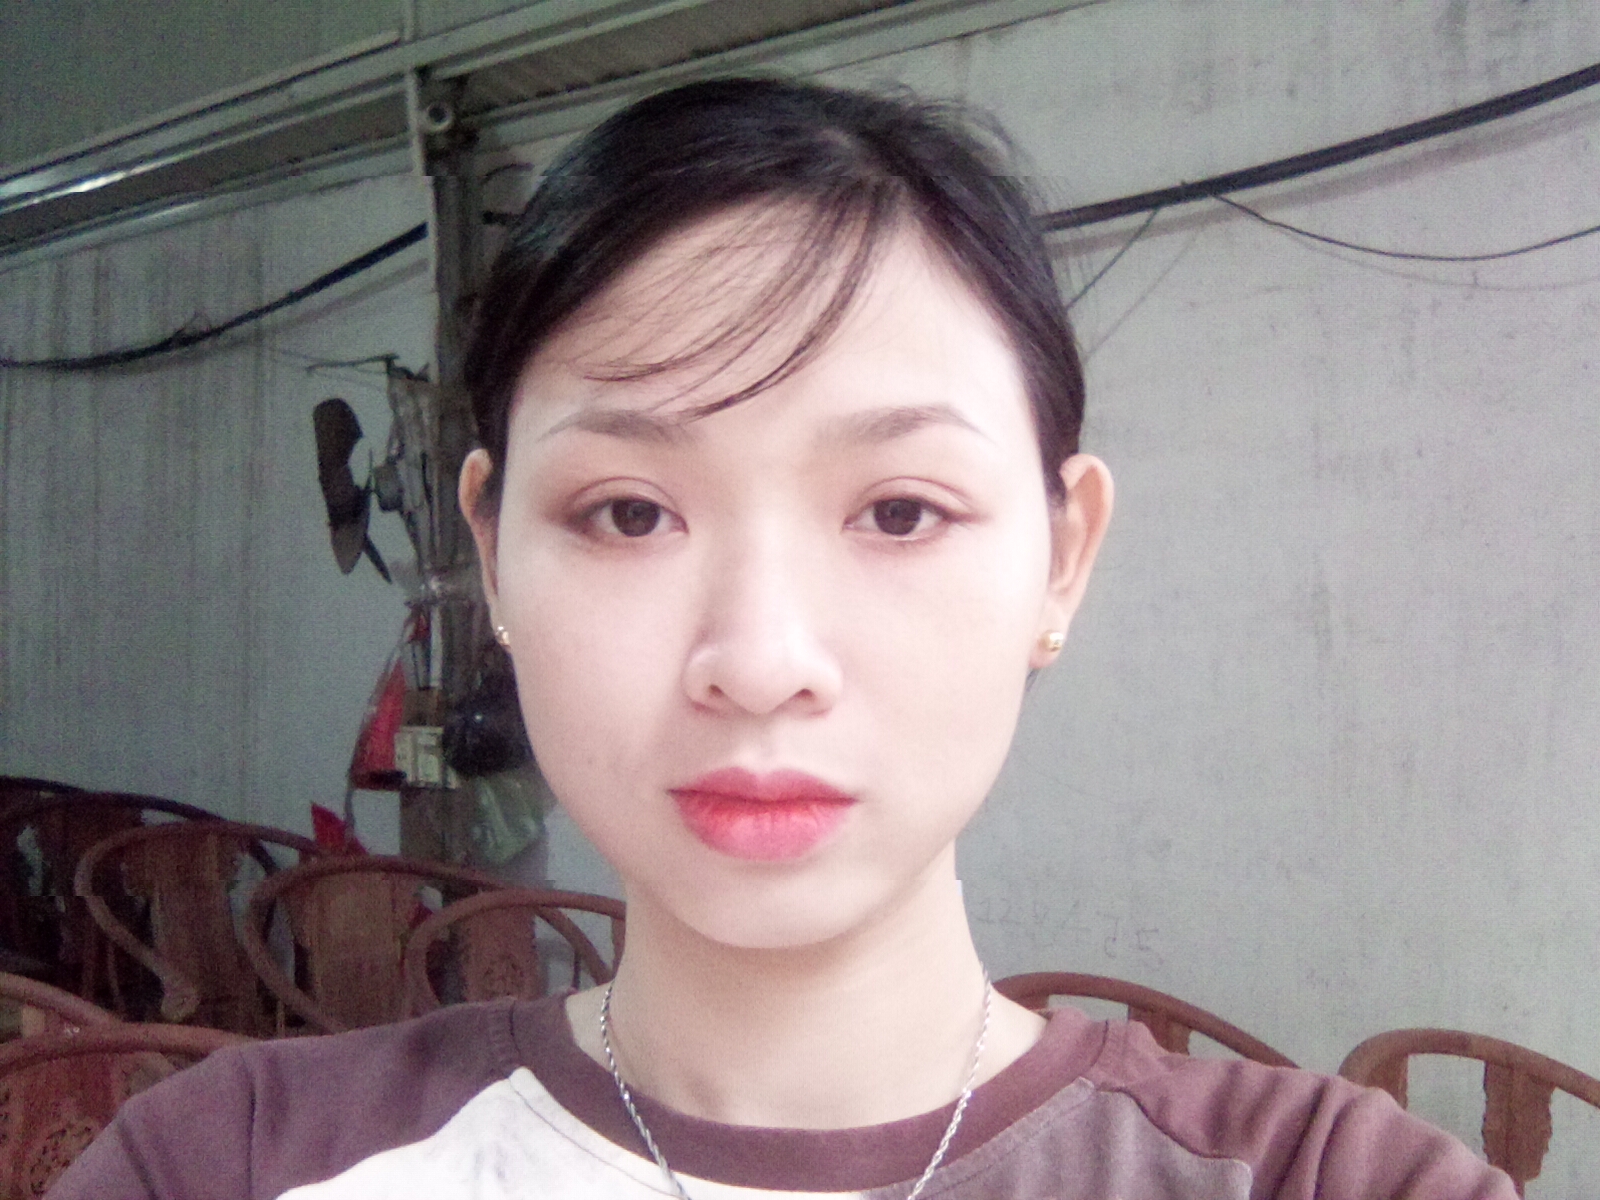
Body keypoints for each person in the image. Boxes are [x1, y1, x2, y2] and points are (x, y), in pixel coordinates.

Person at [52, 76, 1512, 1199]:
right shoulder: (233, 1165)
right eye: (630, 513)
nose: (758, 660)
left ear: (1062, 558)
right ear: (492, 552)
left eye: (898, 511)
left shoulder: (1331, 1183)